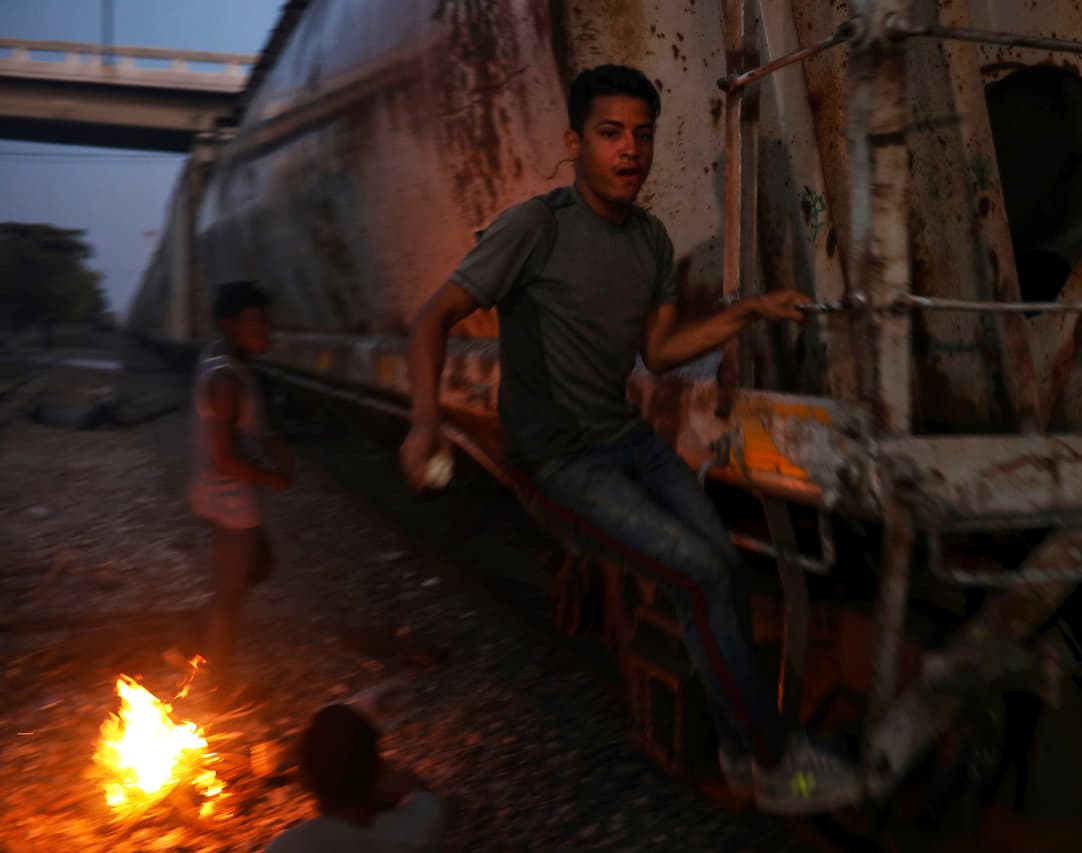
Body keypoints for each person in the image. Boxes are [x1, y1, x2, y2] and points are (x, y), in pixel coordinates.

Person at [399, 65, 859, 814]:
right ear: (575, 143)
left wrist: (748, 312)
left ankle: (742, 749)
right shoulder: (535, 228)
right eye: (611, 134)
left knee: (725, 572)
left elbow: (661, 353)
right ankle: (777, 759)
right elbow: (431, 319)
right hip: (559, 462)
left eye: (642, 135)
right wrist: (424, 423)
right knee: (697, 575)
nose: (630, 150)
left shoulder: (650, 239)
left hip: (628, 442)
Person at [179, 280, 293, 701]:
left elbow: (243, 436)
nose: (266, 330)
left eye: (267, 321)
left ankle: (197, 640)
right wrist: (272, 477)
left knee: (259, 566)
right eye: (256, 322)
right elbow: (223, 459)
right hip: (228, 504)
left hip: (229, 501)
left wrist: (269, 445)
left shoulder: (226, 362)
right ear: (229, 324)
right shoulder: (225, 379)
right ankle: (216, 690)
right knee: (227, 601)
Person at [265, 704, 444, 853]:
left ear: (304, 781)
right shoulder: (416, 831)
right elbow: (420, 794)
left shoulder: (286, 847)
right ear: (379, 771)